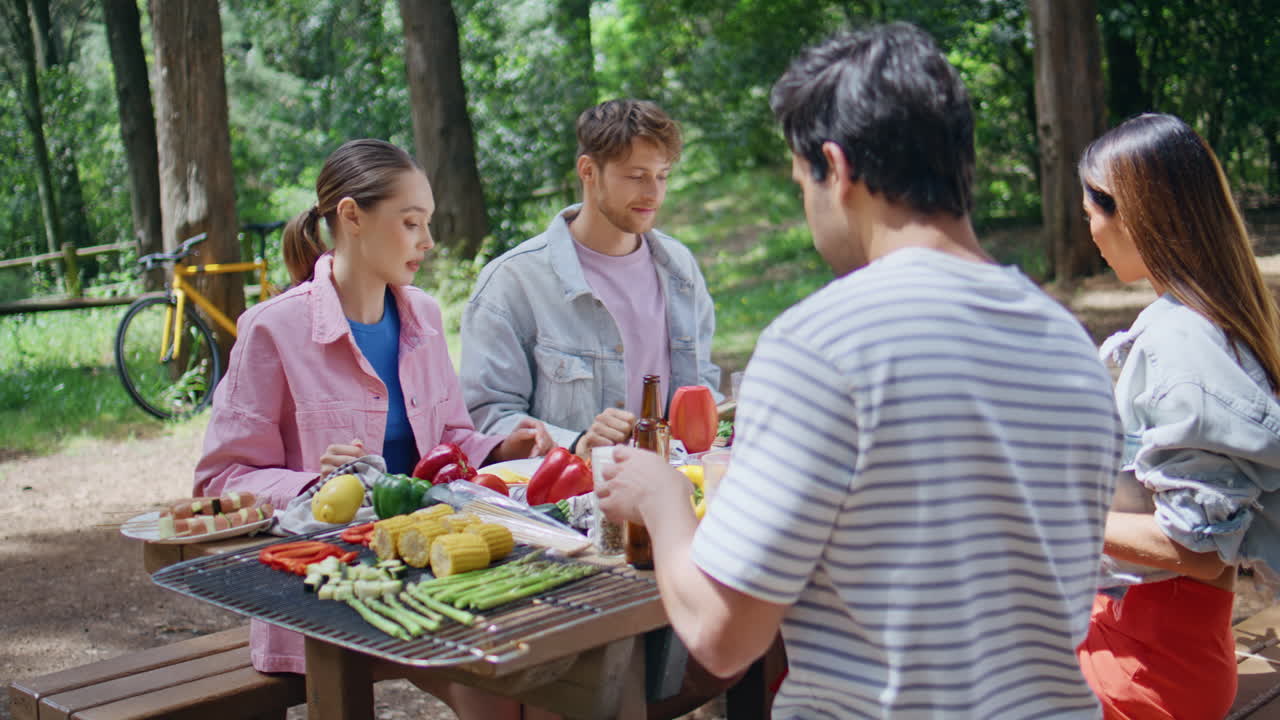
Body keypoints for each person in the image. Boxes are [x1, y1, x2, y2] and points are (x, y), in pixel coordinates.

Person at [596, 24, 1123, 718]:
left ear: (836, 170)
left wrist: (661, 500)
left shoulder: (822, 345)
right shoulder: (1070, 343)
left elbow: (721, 637)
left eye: (799, 182)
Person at [193, 138, 552, 716]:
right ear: (352, 217)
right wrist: (310, 484)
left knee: (538, 689)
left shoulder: (426, 318)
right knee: (502, 699)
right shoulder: (271, 330)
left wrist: (500, 446)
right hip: (331, 586)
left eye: (427, 223)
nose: (428, 242)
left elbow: (449, 443)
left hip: (431, 562)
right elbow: (220, 482)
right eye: (411, 223)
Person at [1075, 113, 1280, 719]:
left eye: (1092, 209)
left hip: (1147, 670)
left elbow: (1199, 549)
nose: (1088, 227)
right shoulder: (1197, 322)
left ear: (1134, 214)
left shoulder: (1182, 343)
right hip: (1156, 648)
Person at [460, 99, 721, 460]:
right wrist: (576, 443)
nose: (654, 193)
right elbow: (487, 418)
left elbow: (702, 387)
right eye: (636, 176)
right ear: (588, 171)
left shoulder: (680, 268)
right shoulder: (512, 282)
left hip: (673, 491)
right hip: (566, 504)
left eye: (662, 176)